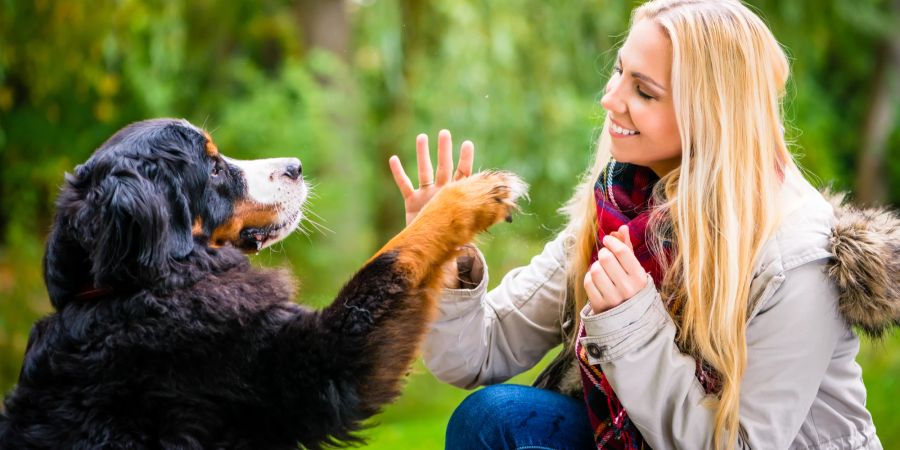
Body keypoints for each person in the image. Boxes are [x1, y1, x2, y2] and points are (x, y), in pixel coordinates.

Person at [388, 0, 896, 448]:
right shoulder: (625, 202)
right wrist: (442, 249)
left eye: (644, 91)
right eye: (618, 71)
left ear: (710, 116)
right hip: (634, 437)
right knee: (493, 419)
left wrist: (632, 323)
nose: (610, 100)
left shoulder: (797, 258)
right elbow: (479, 352)